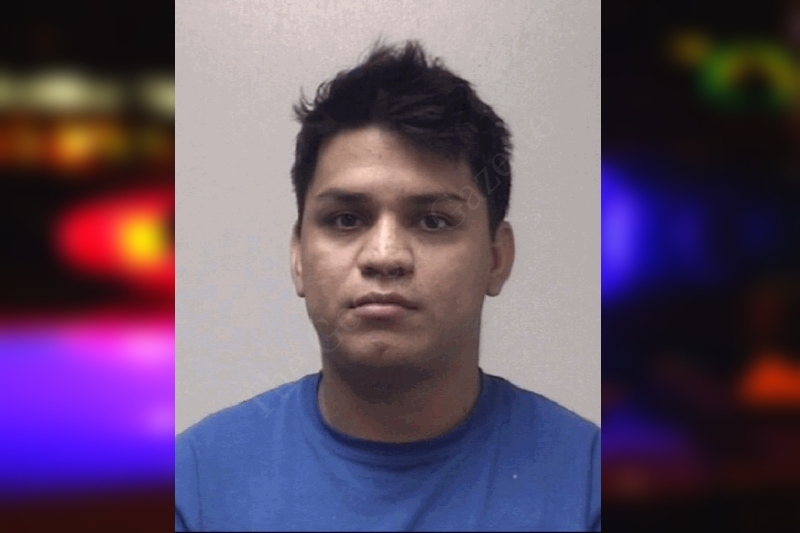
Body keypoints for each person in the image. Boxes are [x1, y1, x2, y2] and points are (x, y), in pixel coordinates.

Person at [175, 39, 600, 532]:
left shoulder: (590, 487)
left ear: (497, 258)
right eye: (346, 219)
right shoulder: (193, 487)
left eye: (434, 221)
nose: (384, 256)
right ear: (298, 257)